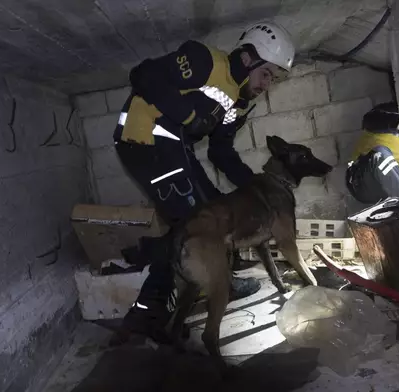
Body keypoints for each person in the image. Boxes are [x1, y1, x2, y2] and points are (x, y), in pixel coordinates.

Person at [111, 21, 295, 343]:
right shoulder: (205, 61)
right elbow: (143, 75)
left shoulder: (239, 102)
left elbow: (221, 152)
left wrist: (259, 186)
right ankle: (146, 315)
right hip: (142, 141)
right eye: (267, 74)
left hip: (175, 146)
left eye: (274, 79)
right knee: (193, 224)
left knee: (215, 206)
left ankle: (218, 278)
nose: (268, 84)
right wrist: (190, 116)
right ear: (249, 58)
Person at [345, 102, 399, 205]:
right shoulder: (388, 111)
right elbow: (369, 120)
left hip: (397, 178)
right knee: (380, 154)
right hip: (363, 179)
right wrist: (397, 122)